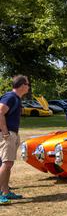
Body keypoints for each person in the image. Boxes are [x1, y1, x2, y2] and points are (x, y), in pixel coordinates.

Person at [0, 75, 29, 204]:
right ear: (22, 85)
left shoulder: (15, 98)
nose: (29, 87)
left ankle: (5, 192)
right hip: (7, 134)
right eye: (27, 84)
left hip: (12, 134)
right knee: (6, 164)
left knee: (8, 164)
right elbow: (0, 112)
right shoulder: (10, 97)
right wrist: (5, 133)